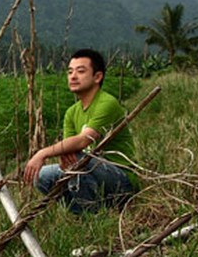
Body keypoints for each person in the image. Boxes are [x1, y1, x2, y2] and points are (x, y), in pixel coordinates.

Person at [23, 49, 138, 214]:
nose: (73, 76)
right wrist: (66, 154)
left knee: (77, 161)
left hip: (120, 178)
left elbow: (83, 141)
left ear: (97, 77)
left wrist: (43, 153)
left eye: (81, 71)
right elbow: (67, 152)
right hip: (90, 171)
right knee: (42, 176)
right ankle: (84, 212)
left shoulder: (107, 103)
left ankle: (95, 216)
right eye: (70, 71)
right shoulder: (71, 112)